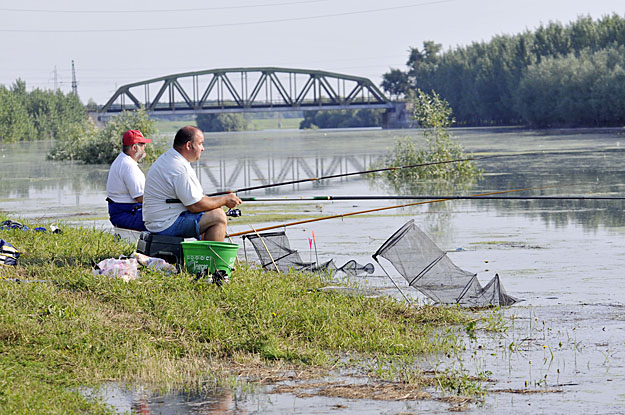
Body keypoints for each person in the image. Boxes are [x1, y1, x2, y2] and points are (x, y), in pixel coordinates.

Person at [143, 126, 241, 241]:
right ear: (188, 145)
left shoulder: (171, 158)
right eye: (200, 144)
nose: (203, 148)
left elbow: (197, 200)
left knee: (212, 210)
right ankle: (213, 258)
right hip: (164, 224)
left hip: (158, 220)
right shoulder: (180, 168)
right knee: (218, 217)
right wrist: (225, 200)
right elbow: (195, 205)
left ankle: (203, 255)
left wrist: (217, 202)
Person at [106, 129, 152, 231]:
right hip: (126, 215)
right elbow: (140, 197)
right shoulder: (129, 166)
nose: (145, 147)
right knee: (164, 218)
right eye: (143, 144)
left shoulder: (122, 160)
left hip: (123, 213)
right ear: (134, 147)